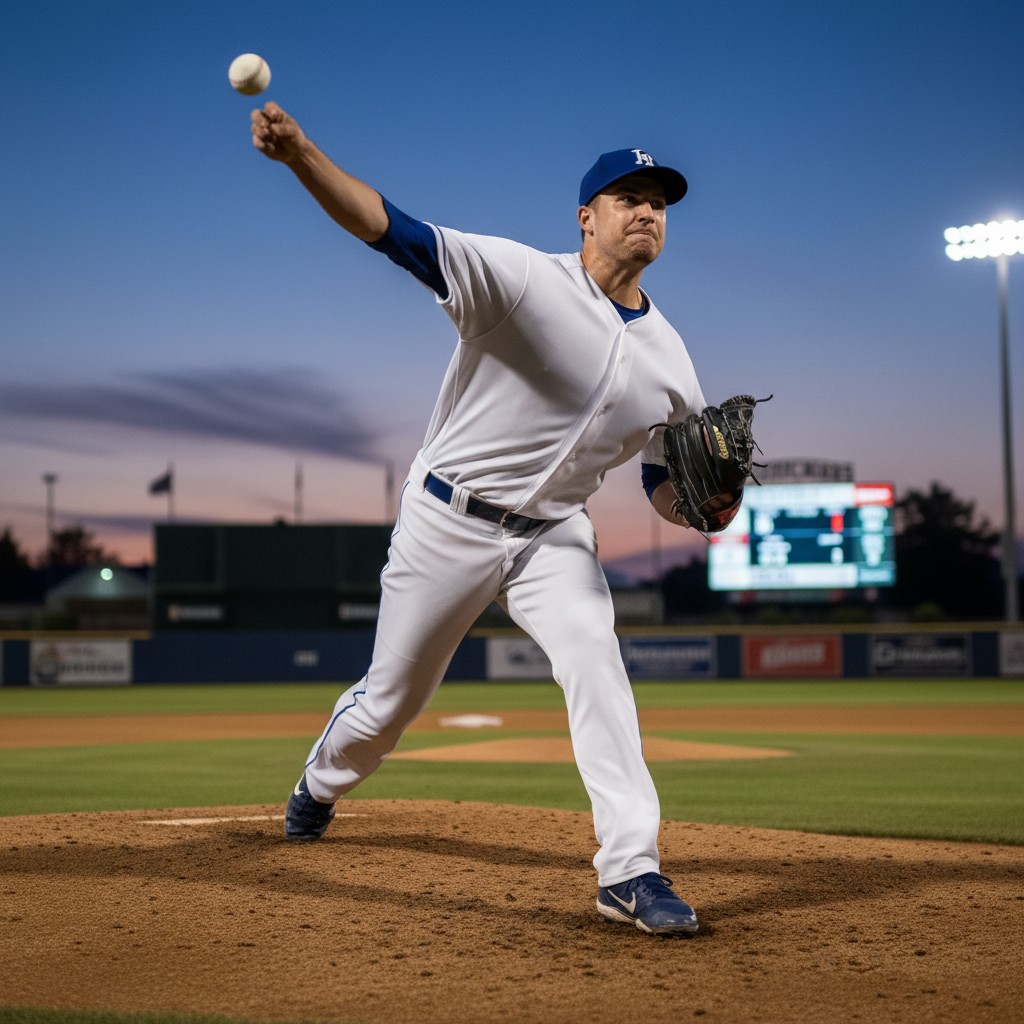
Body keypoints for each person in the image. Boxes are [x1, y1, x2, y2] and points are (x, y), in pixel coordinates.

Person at [251, 102, 718, 936]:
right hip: (447, 522)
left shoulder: (674, 360)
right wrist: (301, 156)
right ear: (586, 217)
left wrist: (704, 506)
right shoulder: (520, 278)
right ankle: (320, 783)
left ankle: (630, 870)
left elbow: (663, 483)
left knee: (596, 664)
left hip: (553, 537)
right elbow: (392, 231)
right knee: (389, 706)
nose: (648, 210)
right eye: (628, 196)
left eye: (659, 201)